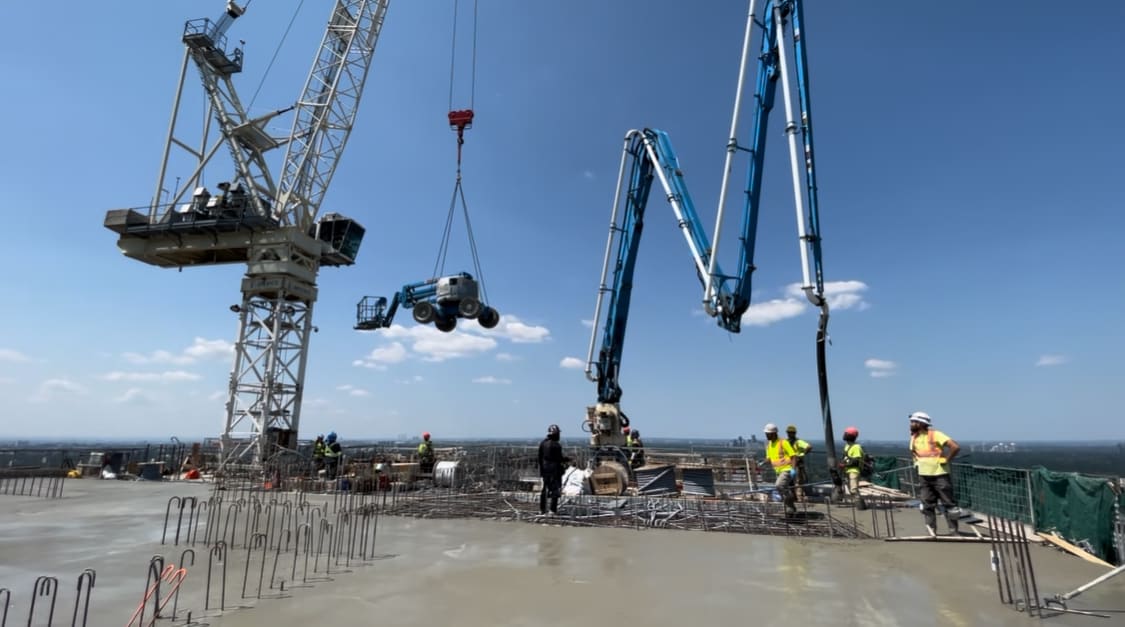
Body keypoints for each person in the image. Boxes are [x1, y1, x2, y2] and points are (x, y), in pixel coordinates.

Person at [909, 411, 962, 535]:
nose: (911, 424)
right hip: (924, 475)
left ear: (921, 423)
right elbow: (914, 454)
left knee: (949, 504)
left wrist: (947, 459)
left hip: (940, 474)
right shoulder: (914, 437)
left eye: (913, 421)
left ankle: (954, 531)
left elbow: (955, 447)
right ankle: (931, 531)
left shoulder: (935, 434)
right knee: (927, 504)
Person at [763, 423, 798, 516]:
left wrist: (793, 469)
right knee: (781, 488)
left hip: (786, 469)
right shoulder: (769, 445)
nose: (766, 435)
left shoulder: (783, 442)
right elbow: (769, 458)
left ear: (774, 433)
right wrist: (763, 462)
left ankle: (790, 505)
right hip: (778, 471)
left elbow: (793, 456)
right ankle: (791, 507)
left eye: (768, 434)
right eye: (766, 434)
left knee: (779, 486)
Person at [538, 424, 567, 515]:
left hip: (545, 469)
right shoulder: (556, 445)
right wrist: (567, 459)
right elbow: (559, 459)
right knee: (555, 490)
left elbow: (539, 457)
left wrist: (542, 470)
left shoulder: (543, 443)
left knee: (544, 490)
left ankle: (542, 509)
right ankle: (552, 510)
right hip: (554, 470)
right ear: (556, 434)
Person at [841, 426, 868, 510]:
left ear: (850, 436)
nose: (844, 435)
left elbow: (855, 461)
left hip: (854, 470)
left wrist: (844, 465)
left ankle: (861, 507)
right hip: (848, 470)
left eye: (846, 433)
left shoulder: (856, 447)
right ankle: (861, 505)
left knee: (853, 490)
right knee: (851, 490)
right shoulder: (847, 446)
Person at [786, 425, 812, 500]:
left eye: (791, 432)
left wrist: (801, 455)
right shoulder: (786, 442)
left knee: (798, 482)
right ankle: (793, 497)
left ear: (794, 433)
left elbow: (809, 447)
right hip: (788, 464)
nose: (790, 434)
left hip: (797, 464)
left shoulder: (798, 442)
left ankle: (799, 497)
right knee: (789, 481)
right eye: (789, 432)